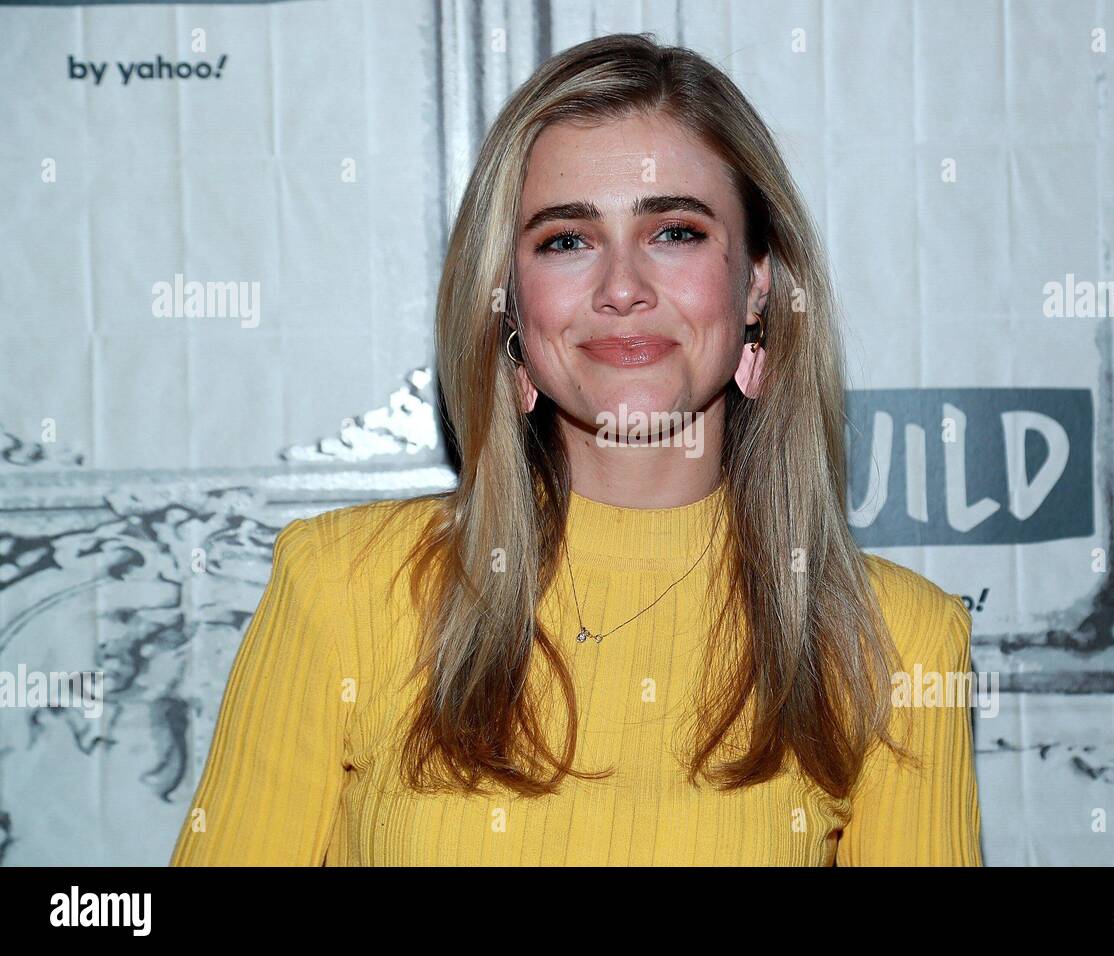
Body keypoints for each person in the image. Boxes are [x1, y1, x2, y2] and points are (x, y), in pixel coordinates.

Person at [169, 32, 981, 867]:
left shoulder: (896, 644)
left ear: (759, 284)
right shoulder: (340, 588)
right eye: (566, 240)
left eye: (675, 231)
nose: (622, 287)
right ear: (508, 300)